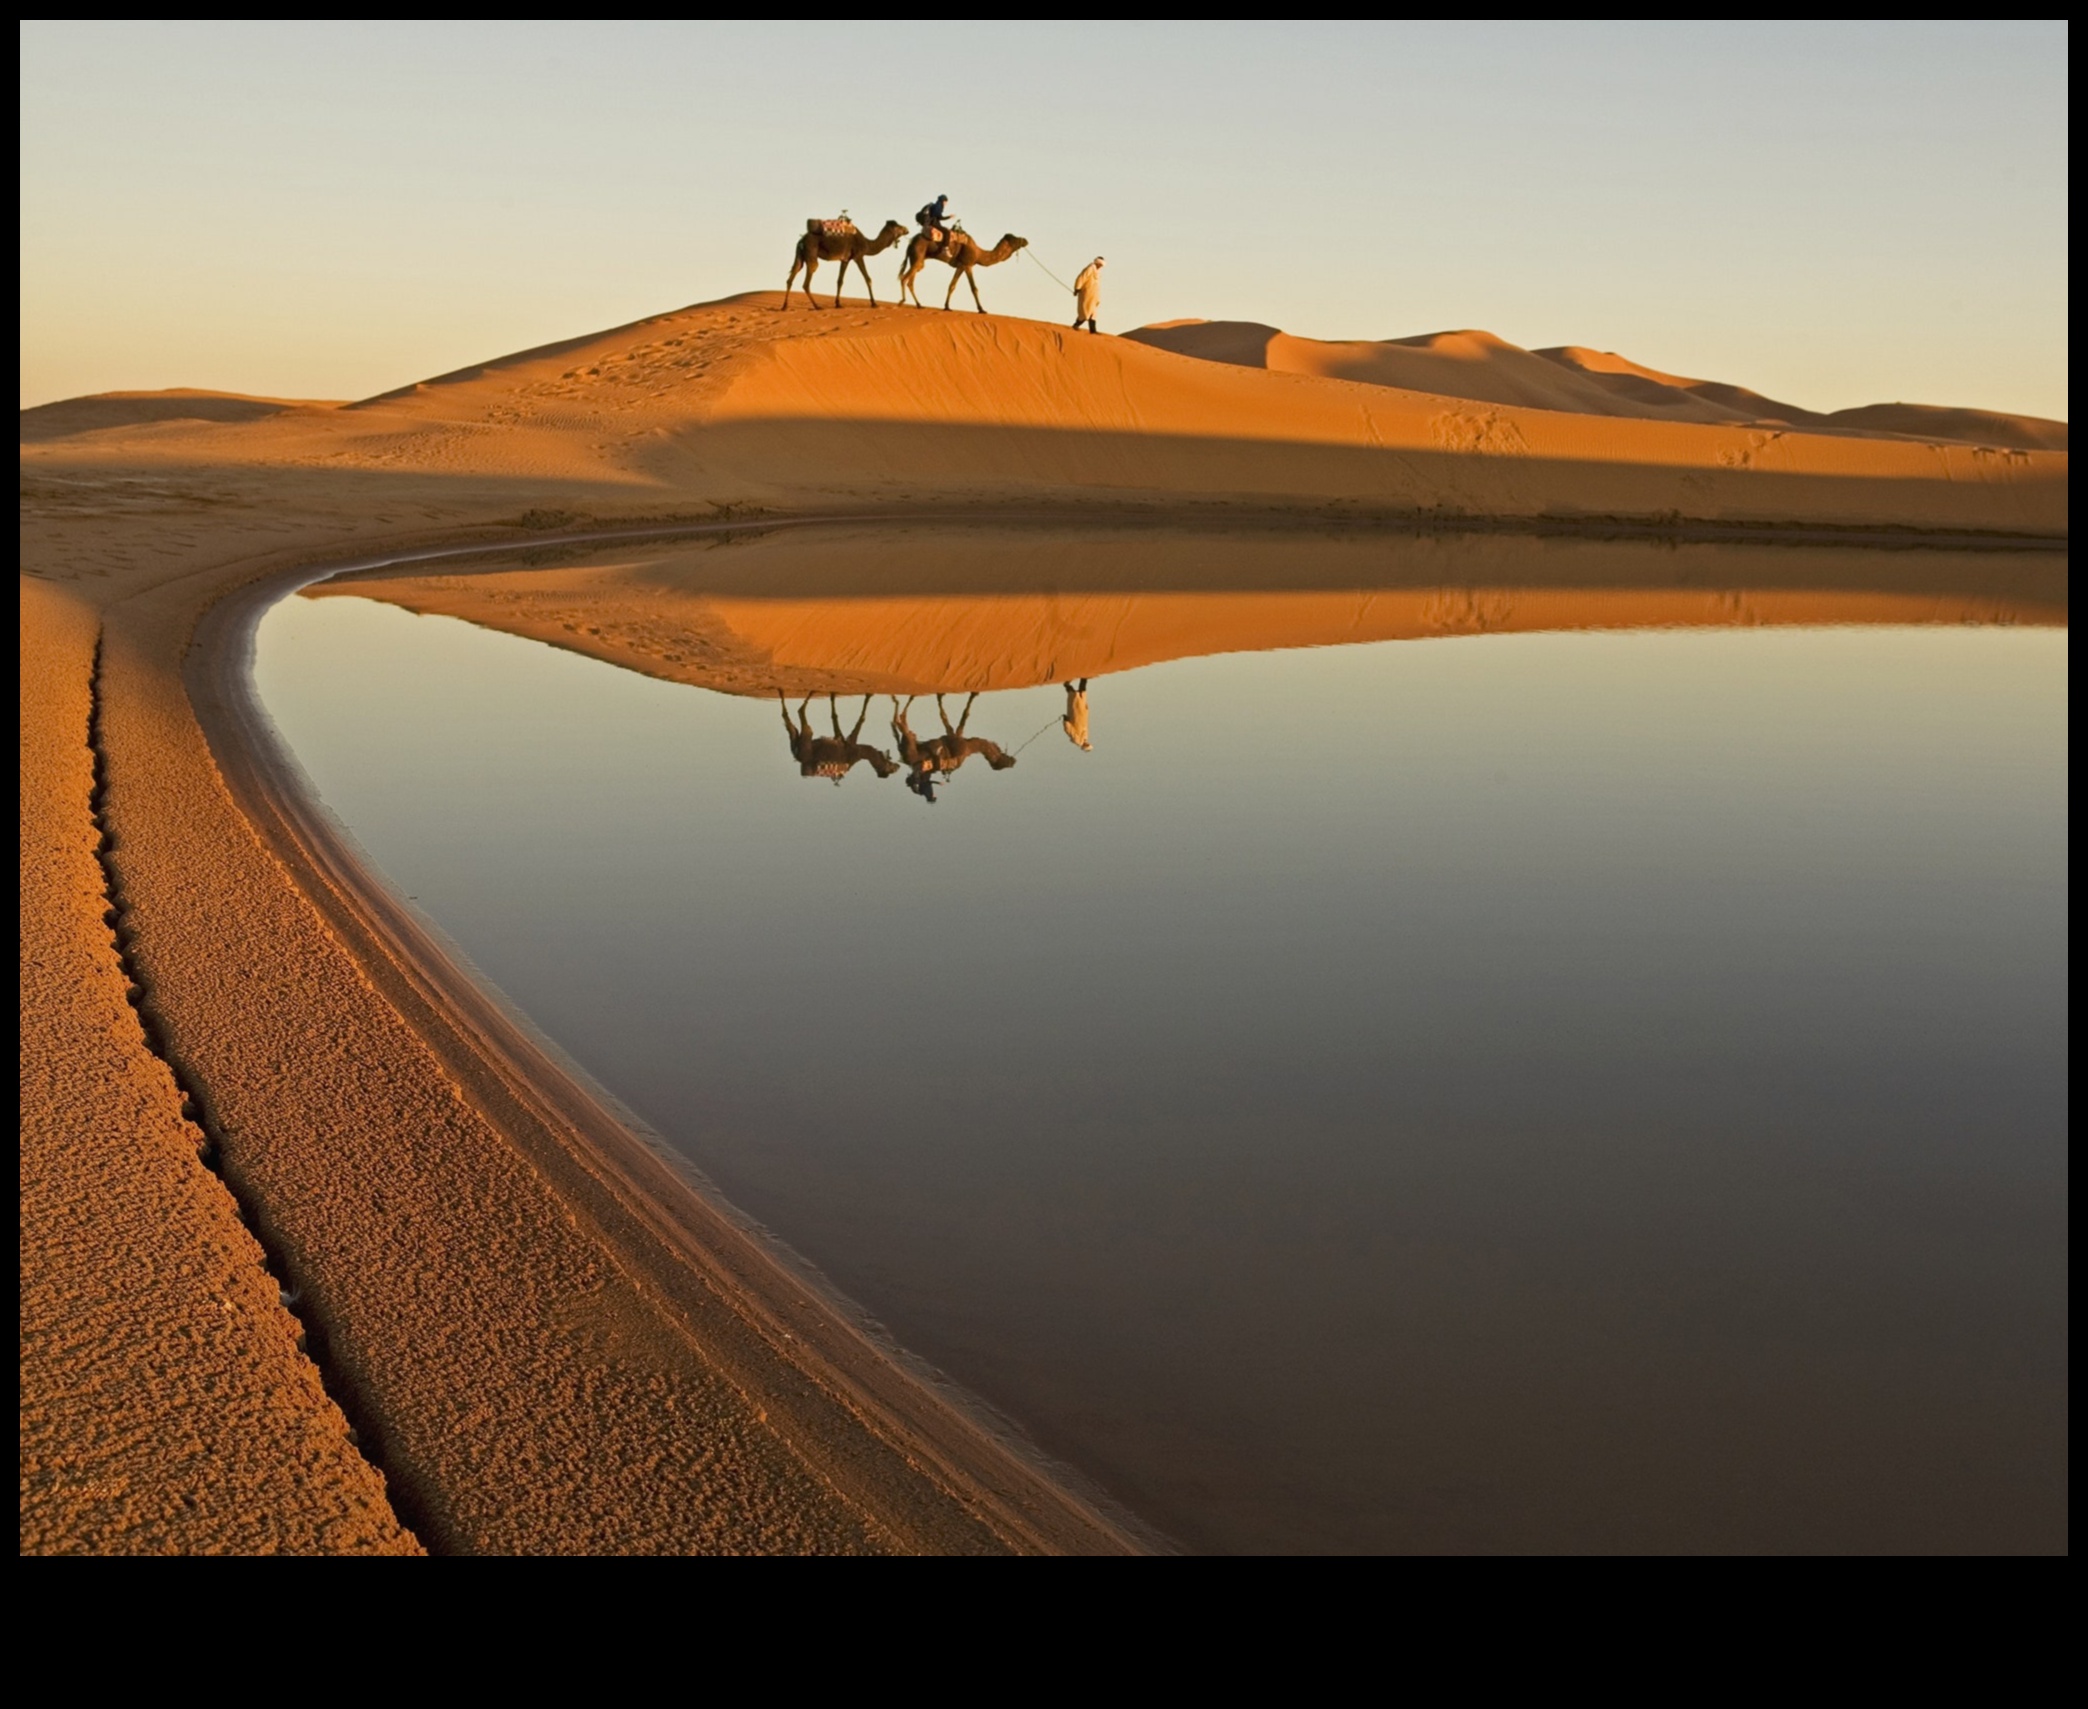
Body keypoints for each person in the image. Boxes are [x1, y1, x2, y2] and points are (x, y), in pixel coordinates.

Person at [1073, 256, 1105, 333]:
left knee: (1093, 312)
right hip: (1086, 293)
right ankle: (1076, 325)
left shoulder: (1098, 272)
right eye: (1100, 264)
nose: (1100, 266)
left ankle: (1093, 330)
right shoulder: (1090, 268)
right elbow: (1081, 277)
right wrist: (1077, 288)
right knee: (1085, 311)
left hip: (1094, 294)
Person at [1061, 679, 1092, 750]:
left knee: (1074, 696)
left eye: (1087, 745)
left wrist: (1066, 721)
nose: (1087, 744)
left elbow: (1069, 730)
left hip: (1075, 715)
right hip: (1082, 713)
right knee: (1082, 694)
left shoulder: (1077, 740)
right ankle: (1084, 678)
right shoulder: (1085, 737)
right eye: (1088, 744)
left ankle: (1067, 685)